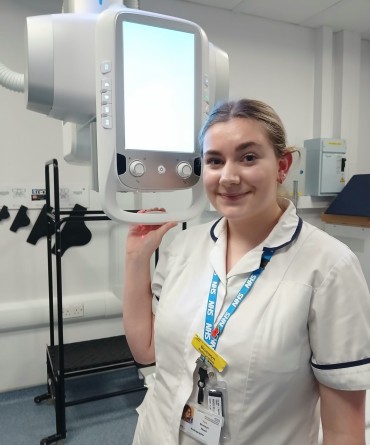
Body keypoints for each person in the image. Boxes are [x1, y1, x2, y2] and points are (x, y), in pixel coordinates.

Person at [123, 99, 370, 445]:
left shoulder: (329, 268)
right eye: (214, 161)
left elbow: (344, 430)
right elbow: (147, 351)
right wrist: (136, 259)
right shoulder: (182, 247)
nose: (228, 176)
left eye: (248, 157)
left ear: (282, 166)